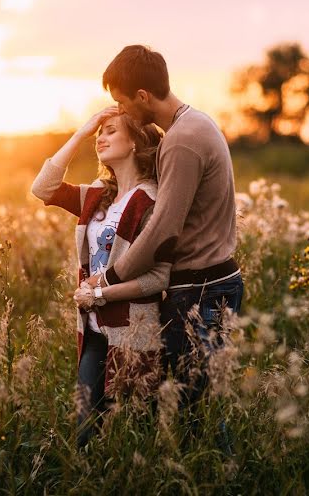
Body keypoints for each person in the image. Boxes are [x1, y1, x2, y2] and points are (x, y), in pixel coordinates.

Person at [84, 45, 243, 448]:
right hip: (208, 284)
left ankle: (221, 477)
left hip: (200, 289)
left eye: (121, 101)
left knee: (198, 406)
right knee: (197, 402)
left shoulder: (182, 141)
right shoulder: (195, 125)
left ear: (143, 97)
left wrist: (110, 276)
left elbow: (162, 230)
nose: (118, 111)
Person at [30, 108, 168, 449]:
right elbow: (43, 188)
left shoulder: (149, 201)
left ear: (135, 141)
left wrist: (101, 293)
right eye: (98, 135)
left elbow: (159, 277)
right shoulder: (97, 195)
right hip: (91, 329)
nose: (100, 139)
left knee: (134, 430)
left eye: (109, 131)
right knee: (85, 432)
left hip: (134, 331)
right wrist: (80, 133)